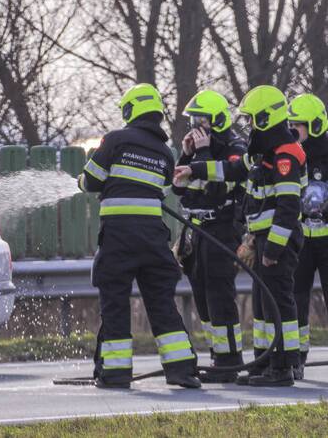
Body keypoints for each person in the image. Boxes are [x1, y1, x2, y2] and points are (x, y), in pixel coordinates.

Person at [175, 85, 305, 387]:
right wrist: (193, 166)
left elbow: (288, 208)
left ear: (265, 118)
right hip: (262, 238)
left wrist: (273, 247)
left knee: (280, 304)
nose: (248, 125)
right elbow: (231, 170)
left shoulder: (285, 155)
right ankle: (265, 364)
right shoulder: (263, 152)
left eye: (252, 119)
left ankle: (284, 367)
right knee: (262, 304)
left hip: (277, 239)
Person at [80, 83, 200, 389]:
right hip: (153, 240)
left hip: (119, 238)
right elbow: (160, 190)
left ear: (131, 110)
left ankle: (117, 373)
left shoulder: (116, 140)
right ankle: (182, 370)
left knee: (116, 302)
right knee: (162, 301)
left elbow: (92, 180)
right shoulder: (165, 151)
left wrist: (83, 182)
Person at [173, 90, 247, 382]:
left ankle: (230, 361)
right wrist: (187, 154)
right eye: (192, 120)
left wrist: (202, 155)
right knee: (202, 297)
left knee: (220, 296)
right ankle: (218, 354)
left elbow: (218, 187)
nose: (196, 126)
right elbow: (178, 187)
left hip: (221, 229)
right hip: (196, 232)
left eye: (200, 120)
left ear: (215, 121)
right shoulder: (196, 151)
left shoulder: (233, 148)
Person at [289, 93, 328, 379]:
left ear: (313, 125)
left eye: (298, 125)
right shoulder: (292, 155)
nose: (293, 130)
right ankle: (296, 358)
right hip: (301, 239)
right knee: (295, 298)